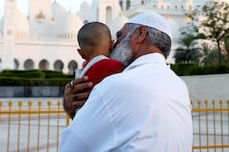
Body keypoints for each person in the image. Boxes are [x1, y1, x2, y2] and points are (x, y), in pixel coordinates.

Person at [60, 12, 193, 152]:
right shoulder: (179, 86)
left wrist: (73, 111)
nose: (113, 45)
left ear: (140, 34)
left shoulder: (117, 85)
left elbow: (73, 147)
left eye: (119, 36)